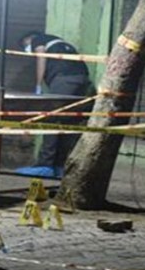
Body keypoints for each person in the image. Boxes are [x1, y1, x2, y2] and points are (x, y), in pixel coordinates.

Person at [15, 29, 91, 179]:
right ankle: (59, 166)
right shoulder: (61, 44)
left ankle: (45, 165)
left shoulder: (38, 39)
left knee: (51, 119)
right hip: (81, 79)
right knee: (67, 121)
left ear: (30, 38)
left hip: (64, 79)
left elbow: (41, 58)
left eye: (25, 45)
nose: (27, 49)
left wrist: (38, 85)